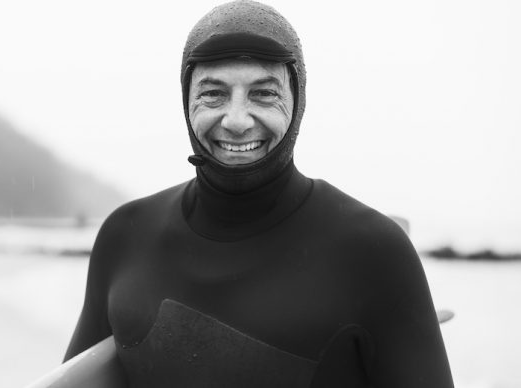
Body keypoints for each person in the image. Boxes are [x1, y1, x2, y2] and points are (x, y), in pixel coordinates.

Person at [64, 1, 454, 387]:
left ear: (297, 100)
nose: (236, 120)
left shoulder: (374, 251)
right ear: (186, 100)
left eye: (263, 94)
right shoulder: (126, 236)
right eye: (213, 94)